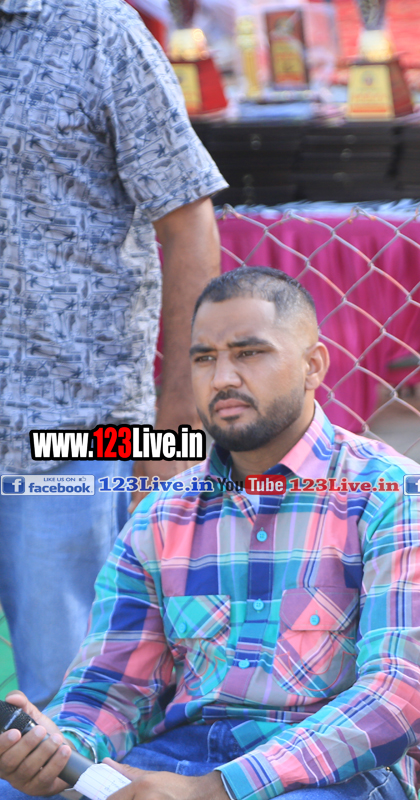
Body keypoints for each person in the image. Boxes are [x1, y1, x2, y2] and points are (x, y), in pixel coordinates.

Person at [0, 268, 420, 800]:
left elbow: (397, 696)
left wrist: (215, 789)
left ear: (313, 366)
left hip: (332, 777)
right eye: (203, 358)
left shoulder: (390, 494)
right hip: (173, 763)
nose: (221, 378)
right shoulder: (161, 515)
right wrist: (59, 751)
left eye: (248, 353)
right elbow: (112, 688)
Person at [0, 0, 227, 709]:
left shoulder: (99, 30)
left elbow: (190, 222)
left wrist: (177, 424)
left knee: (75, 704)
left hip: (71, 434)